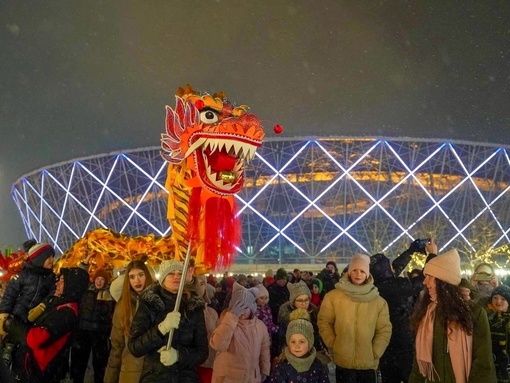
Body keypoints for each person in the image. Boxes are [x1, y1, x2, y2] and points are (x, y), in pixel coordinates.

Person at [408, 249, 496, 382]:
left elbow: (483, 364)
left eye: (430, 276)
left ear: (443, 281)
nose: (425, 282)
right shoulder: (428, 313)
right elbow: (419, 362)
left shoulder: (474, 313)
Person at [128, 259, 208, 382]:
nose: (176, 276)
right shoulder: (149, 304)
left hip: (186, 378)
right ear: (163, 278)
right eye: (171, 273)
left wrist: (178, 356)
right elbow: (135, 347)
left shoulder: (193, 307)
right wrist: (161, 329)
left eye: (180, 273)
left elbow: (202, 352)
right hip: (155, 377)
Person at [318, 253, 392, 383]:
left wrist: (375, 351)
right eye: (355, 270)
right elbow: (324, 322)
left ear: (368, 273)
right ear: (349, 271)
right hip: (343, 361)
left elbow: (384, 329)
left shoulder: (378, 302)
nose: (358, 274)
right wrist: (334, 343)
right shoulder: (333, 297)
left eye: (362, 271)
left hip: (367, 363)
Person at [369, 240, 429, 383]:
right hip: (402, 343)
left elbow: (394, 268)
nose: (392, 266)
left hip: (385, 346)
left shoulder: (378, 284)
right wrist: (432, 256)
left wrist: (410, 251)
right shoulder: (395, 287)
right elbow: (421, 281)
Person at [20, 267, 89, 383]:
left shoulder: (67, 312)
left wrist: (14, 328)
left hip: (42, 369)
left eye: (62, 281)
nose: (57, 283)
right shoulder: (63, 305)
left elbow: (36, 339)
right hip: (42, 368)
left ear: (71, 286)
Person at [0, 241, 56, 375]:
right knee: (11, 345)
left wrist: (42, 307)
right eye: (49, 257)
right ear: (39, 259)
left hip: (37, 320)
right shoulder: (22, 276)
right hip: (17, 318)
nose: (52, 260)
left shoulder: (51, 278)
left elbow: (51, 296)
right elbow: (9, 296)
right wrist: (3, 314)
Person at [104, 259, 155, 383]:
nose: (136, 280)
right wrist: (110, 377)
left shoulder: (158, 302)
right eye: (132, 277)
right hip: (130, 371)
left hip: (155, 370)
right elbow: (117, 345)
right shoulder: (123, 306)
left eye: (140, 275)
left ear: (147, 276)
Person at [210, 281, 270, 383]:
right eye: (238, 307)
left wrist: (265, 369)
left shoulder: (260, 326)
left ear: (252, 308)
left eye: (245, 307)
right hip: (227, 377)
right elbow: (218, 344)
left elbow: (264, 349)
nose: (241, 311)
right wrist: (232, 316)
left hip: (252, 377)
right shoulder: (225, 322)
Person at [71, 263, 115, 383]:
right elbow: (79, 278)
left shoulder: (110, 294)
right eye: (97, 278)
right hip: (84, 331)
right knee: (81, 361)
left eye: (102, 279)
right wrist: (84, 264)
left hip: (100, 333)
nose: (99, 282)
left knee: (99, 363)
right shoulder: (87, 290)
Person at [268, 308, 330, 382]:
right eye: (293, 342)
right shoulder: (282, 367)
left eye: (302, 342)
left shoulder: (318, 366)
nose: (297, 346)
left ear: (309, 343)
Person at [195, 274, 219, 383]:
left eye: (202, 284)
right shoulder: (182, 312)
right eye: (194, 283)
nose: (198, 287)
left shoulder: (212, 313)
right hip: (192, 365)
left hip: (211, 364)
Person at [486, 284, 510, 382]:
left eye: (503, 299)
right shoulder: (487, 318)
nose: (498, 301)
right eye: (495, 298)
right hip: (493, 363)